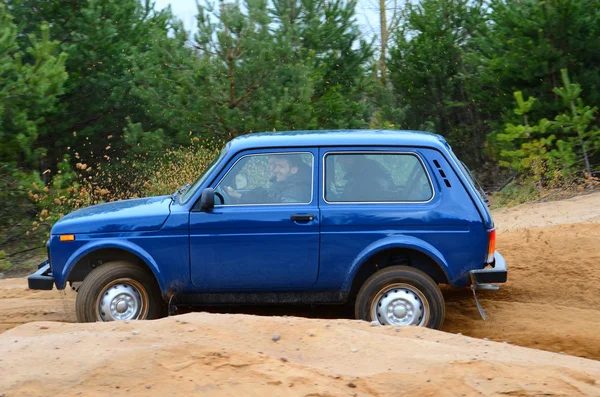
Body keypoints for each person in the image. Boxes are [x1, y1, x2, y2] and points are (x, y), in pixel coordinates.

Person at [224, 154, 311, 204]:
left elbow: (273, 204)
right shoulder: (287, 183)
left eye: (281, 166)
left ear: (294, 170)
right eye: (274, 165)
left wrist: (239, 196)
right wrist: (241, 195)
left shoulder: (298, 190)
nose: (275, 170)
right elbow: (269, 196)